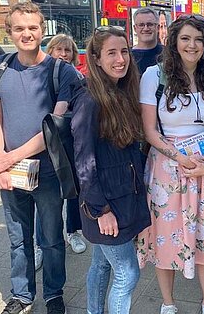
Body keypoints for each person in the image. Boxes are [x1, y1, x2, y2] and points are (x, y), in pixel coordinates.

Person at [0, 2, 78, 314]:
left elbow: (54, 127)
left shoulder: (61, 71)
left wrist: (9, 157)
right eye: (19, 28)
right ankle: (22, 296)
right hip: (10, 172)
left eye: (33, 27)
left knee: (51, 240)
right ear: (10, 32)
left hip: (48, 172)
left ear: (42, 29)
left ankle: (54, 295)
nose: (27, 33)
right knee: (18, 239)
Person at [136, 14, 204, 314]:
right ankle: (168, 302)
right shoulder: (154, 76)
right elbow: (150, 131)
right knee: (166, 234)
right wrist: (179, 157)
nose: (192, 45)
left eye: (199, 39)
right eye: (186, 38)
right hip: (167, 169)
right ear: (174, 41)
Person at [70, 26, 150, 314]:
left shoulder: (119, 92)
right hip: (106, 203)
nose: (121, 59)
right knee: (128, 273)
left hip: (122, 196)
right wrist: (101, 209)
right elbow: (83, 160)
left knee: (101, 263)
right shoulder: (89, 99)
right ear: (97, 57)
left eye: (124, 51)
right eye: (112, 53)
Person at [39, 34, 87, 256]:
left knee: (74, 188)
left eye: (68, 50)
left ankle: (73, 231)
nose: (64, 54)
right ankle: (43, 241)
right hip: (45, 140)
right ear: (50, 51)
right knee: (47, 194)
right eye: (59, 49)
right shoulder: (41, 75)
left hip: (70, 139)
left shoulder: (77, 75)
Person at [132, 7, 164, 74]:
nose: (146, 28)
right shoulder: (127, 57)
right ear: (135, 28)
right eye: (141, 25)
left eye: (150, 24)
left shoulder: (169, 54)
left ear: (157, 28)